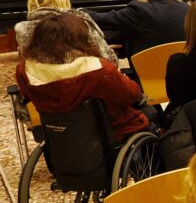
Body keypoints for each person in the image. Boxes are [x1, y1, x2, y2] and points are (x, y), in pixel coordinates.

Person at [16, 14, 151, 141]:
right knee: (150, 112)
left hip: (58, 135)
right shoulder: (99, 69)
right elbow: (131, 95)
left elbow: (27, 97)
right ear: (80, 38)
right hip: (111, 133)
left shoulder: (25, 70)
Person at [89, 0, 189, 60]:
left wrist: (78, 11)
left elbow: (103, 20)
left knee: (124, 31)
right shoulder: (186, 9)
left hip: (146, 72)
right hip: (180, 72)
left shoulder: (139, 10)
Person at [15, 0, 117, 63]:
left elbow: (28, 63)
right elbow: (110, 61)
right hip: (83, 83)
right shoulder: (81, 21)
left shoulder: (22, 28)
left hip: (45, 84)